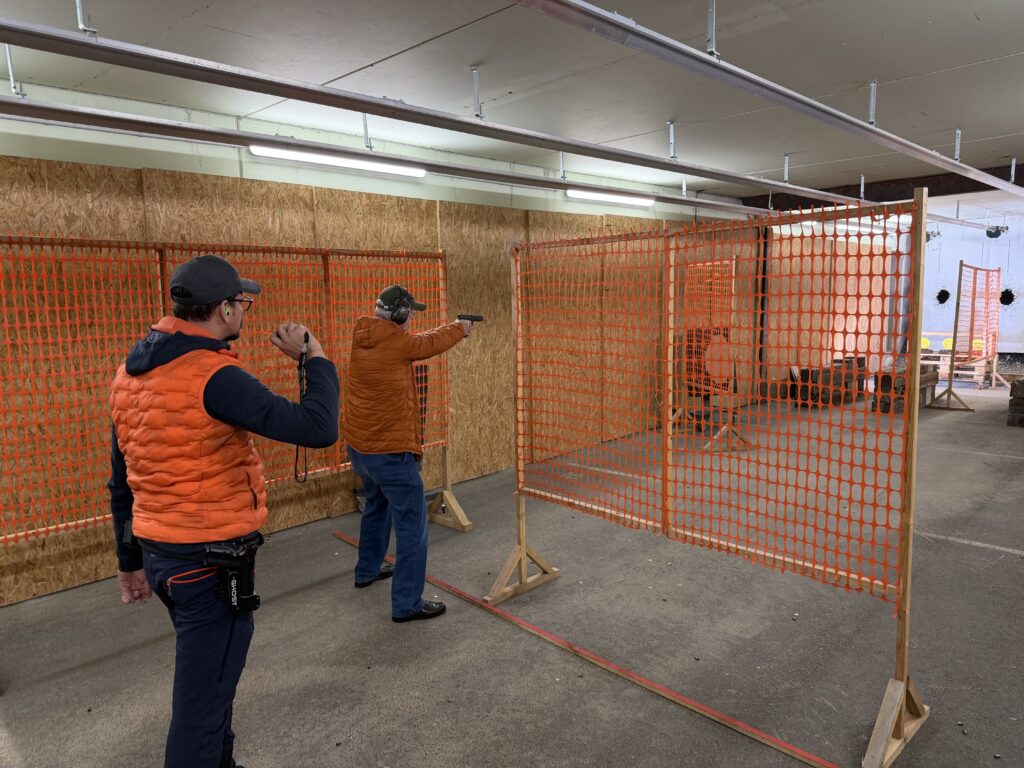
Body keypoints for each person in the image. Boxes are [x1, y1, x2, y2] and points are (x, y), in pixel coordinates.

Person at [107, 254, 339, 768]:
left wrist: (129, 561)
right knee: (200, 711)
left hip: (164, 559)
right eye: (241, 303)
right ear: (225, 310)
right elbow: (319, 428)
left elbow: (121, 481)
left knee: (215, 684)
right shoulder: (214, 376)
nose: (243, 311)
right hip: (207, 565)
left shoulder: (129, 373)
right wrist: (314, 356)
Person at [344, 284, 471, 622]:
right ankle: (407, 603)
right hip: (390, 454)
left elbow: (418, 341)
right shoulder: (396, 342)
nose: (413, 317)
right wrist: (459, 328)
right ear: (399, 313)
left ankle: (367, 569)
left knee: (376, 508)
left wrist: (453, 327)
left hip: (362, 451)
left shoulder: (365, 336)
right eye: (410, 312)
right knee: (413, 525)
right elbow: (428, 344)